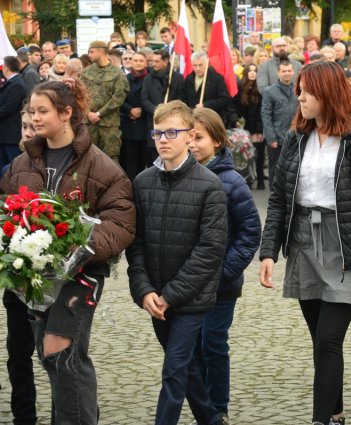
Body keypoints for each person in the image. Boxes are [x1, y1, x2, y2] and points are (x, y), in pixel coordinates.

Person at [1, 78, 135, 424]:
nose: (35, 117)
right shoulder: (23, 163)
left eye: (42, 111)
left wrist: (83, 246)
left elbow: (121, 221)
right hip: (35, 274)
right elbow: (6, 206)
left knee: (61, 350)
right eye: (31, 111)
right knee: (51, 355)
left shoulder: (100, 165)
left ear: (66, 113)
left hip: (82, 272)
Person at [259, 61, 351, 425]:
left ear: (327, 94)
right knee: (321, 341)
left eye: (307, 91)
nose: (299, 97)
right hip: (302, 241)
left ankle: (321, 421)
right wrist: (268, 251)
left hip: (344, 244)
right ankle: (336, 413)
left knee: (328, 340)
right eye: (299, 89)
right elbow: (280, 198)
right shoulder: (296, 137)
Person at [127, 100, 227, 425]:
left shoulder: (210, 184)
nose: (163, 139)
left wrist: (171, 294)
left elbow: (210, 250)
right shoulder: (142, 182)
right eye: (158, 133)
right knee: (188, 368)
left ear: (190, 135)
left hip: (191, 298)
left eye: (172, 132)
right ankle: (210, 420)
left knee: (173, 371)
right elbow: (136, 243)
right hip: (156, 298)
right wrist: (144, 290)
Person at [189, 108, 261, 425]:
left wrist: (223, 272)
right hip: (186, 283)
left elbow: (249, 232)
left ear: (218, 142)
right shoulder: (178, 176)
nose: (191, 144)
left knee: (213, 344)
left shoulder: (232, 181)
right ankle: (201, 407)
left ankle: (218, 409)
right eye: (187, 136)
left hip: (221, 284)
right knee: (192, 348)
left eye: (199, 138)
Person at [2, 102, 38, 425]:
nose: (27, 134)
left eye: (33, 127)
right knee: (17, 354)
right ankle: (23, 416)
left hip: (53, 277)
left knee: (57, 356)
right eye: (24, 127)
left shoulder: (66, 166)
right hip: (17, 280)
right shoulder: (11, 169)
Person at [80, 40, 130, 162]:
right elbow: (79, 95)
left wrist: (99, 113)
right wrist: (87, 113)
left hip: (109, 125)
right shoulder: (86, 72)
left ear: (101, 52)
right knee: (87, 157)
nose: (89, 55)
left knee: (111, 158)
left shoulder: (117, 73)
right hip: (89, 123)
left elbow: (118, 97)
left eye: (91, 52)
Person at [141, 48, 184, 166]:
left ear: (165, 62)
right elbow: (144, 100)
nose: (153, 64)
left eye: (157, 61)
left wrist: (170, 110)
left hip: (173, 124)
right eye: (153, 61)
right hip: (154, 123)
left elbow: (181, 97)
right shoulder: (148, 79)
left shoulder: (177, 78)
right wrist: (158, 111)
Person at [260, 60, 298, 190]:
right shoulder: (269, 91)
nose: (287, 73)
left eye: (289, 71)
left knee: (294, 167)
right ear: (278, 73)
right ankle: (274, 195)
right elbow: (266, 115)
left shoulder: (299, 89)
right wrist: (271, 138)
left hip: (295, 136)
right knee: (276, 168)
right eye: (284, 71)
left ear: (293, 72)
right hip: (277, 138)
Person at [119, 51, 148, 180]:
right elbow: (119, 98)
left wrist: (142, 110)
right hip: (128, 124)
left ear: (146, 63)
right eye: (135, 60)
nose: (138, 63)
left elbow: (152, 98)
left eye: (141, 60)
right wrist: (129, 110)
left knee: (142, 159)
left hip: (144, 124)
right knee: (129, 159)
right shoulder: (124, 79)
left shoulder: (150, 79)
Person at [236, 63, 265, 190]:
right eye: (250, 71)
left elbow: (262, 111)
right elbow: (236, 107)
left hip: (256, 127)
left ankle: (260, 179)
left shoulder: (261, 89)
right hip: (242, 127)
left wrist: (259, 130)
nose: (253, 73)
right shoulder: (239, 88)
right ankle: (247, 180)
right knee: (245, 155)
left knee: (259, 154)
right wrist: (236, 121)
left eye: (255, 71)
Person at [184, 51, 231, 124]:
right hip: (193, 119)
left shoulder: (217, 79)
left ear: (207, 64)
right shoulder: (189, 79)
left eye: (200, 65)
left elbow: (224, 99)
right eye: (195, 65)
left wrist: (205, 105)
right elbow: (185, 99)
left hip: (211, 120)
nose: (197, 68)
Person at [0, 56, 27, 170]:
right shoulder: (13, 82)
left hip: (11, 136)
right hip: (5, 135)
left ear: (6, 68)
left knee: (12, 168)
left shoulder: (17, 84)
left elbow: (8, 109)